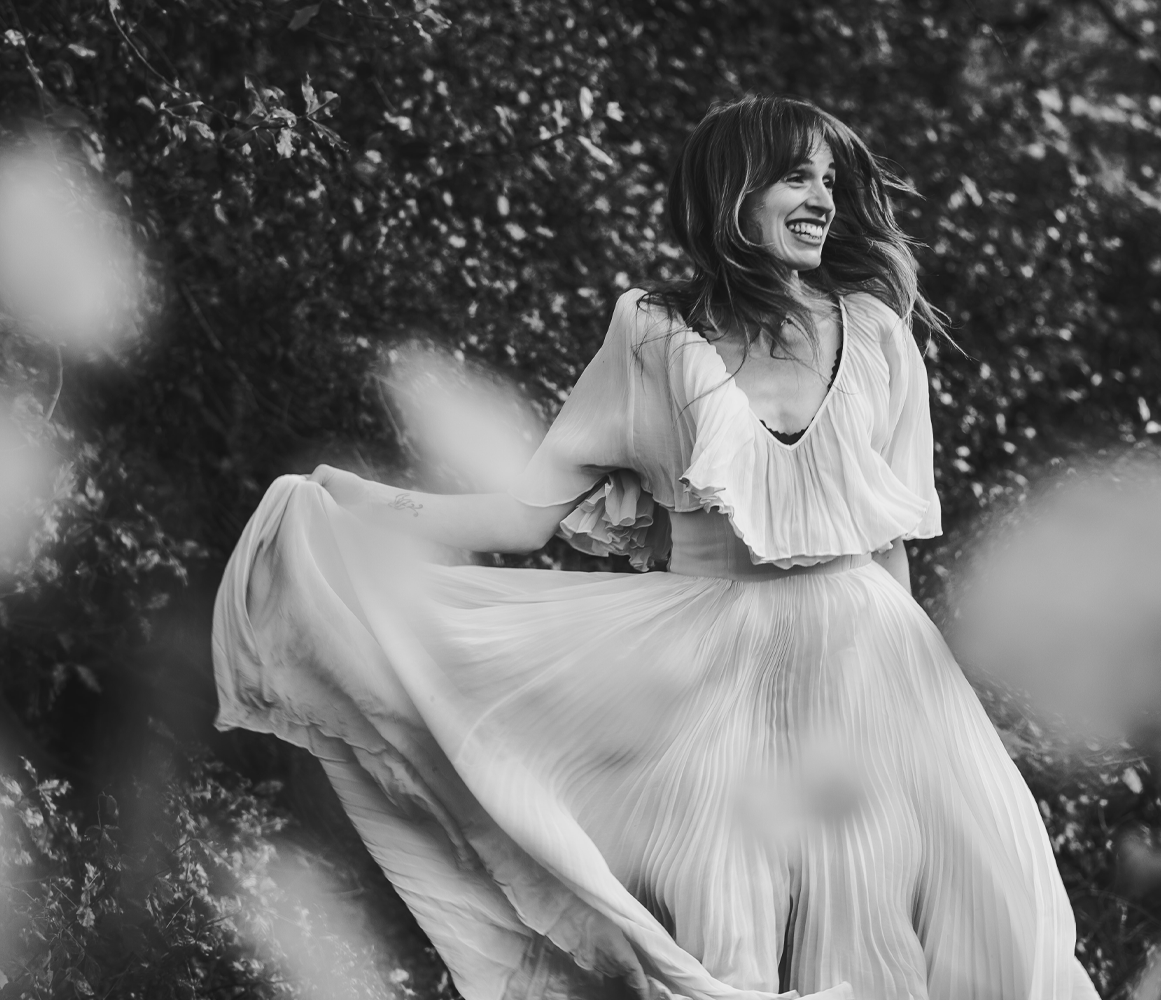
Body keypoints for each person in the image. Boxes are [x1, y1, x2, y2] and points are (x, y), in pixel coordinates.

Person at [213, 95, 1101, 1000]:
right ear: (732, 190)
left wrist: (925, 719)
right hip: (711, 677)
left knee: (950, 927)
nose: (824, 201)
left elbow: (891, 550)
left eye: (830, 182)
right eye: (797, 176)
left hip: (877, 668)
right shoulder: (651, 335)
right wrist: (362, 505)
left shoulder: (876, 333)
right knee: (729, 928)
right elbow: (524, 516)